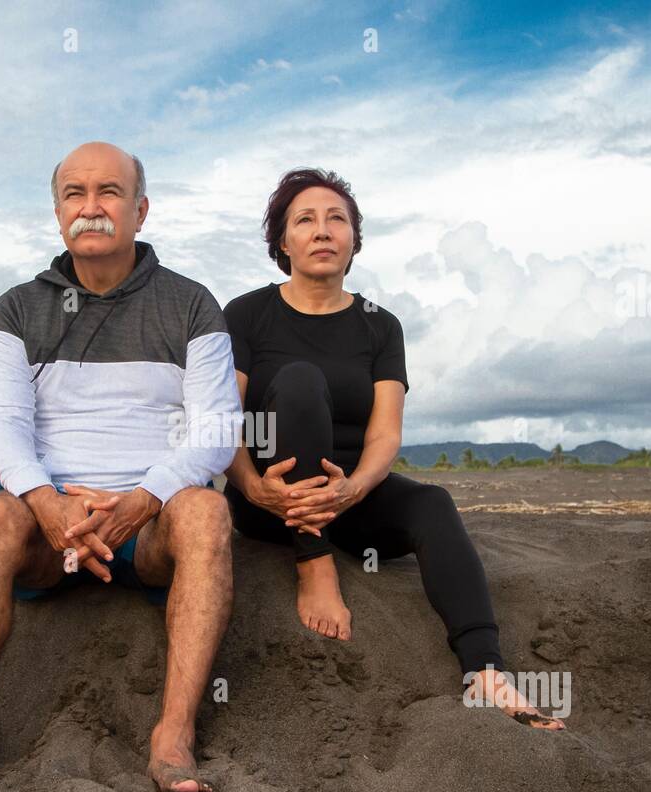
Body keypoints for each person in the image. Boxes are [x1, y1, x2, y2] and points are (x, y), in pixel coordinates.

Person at [0, 142, 242, 792]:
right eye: (75, 195)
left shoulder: (193, 306)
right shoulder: (17, 309)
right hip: (46, 525)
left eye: (110, 193)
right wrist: (47, 503)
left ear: (140, 211)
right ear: (58, 212)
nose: (92, 208)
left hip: (149, 526)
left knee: (208, 512)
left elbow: (217, 429)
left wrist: (142, 501)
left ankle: (172, 737)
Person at [221, 167, 564, 730]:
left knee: (432, 502)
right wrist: (253, 486)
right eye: (305, 220)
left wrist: (354, 488)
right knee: (302, 379)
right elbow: (222, 421)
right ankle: (315, 565)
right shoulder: (245, 315)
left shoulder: (381, 326)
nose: (323, 230)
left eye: (338, 219)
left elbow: (384, 434)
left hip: (351, 497)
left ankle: (484, 669)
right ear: (282, 242)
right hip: (271, 502)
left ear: (354, 239)